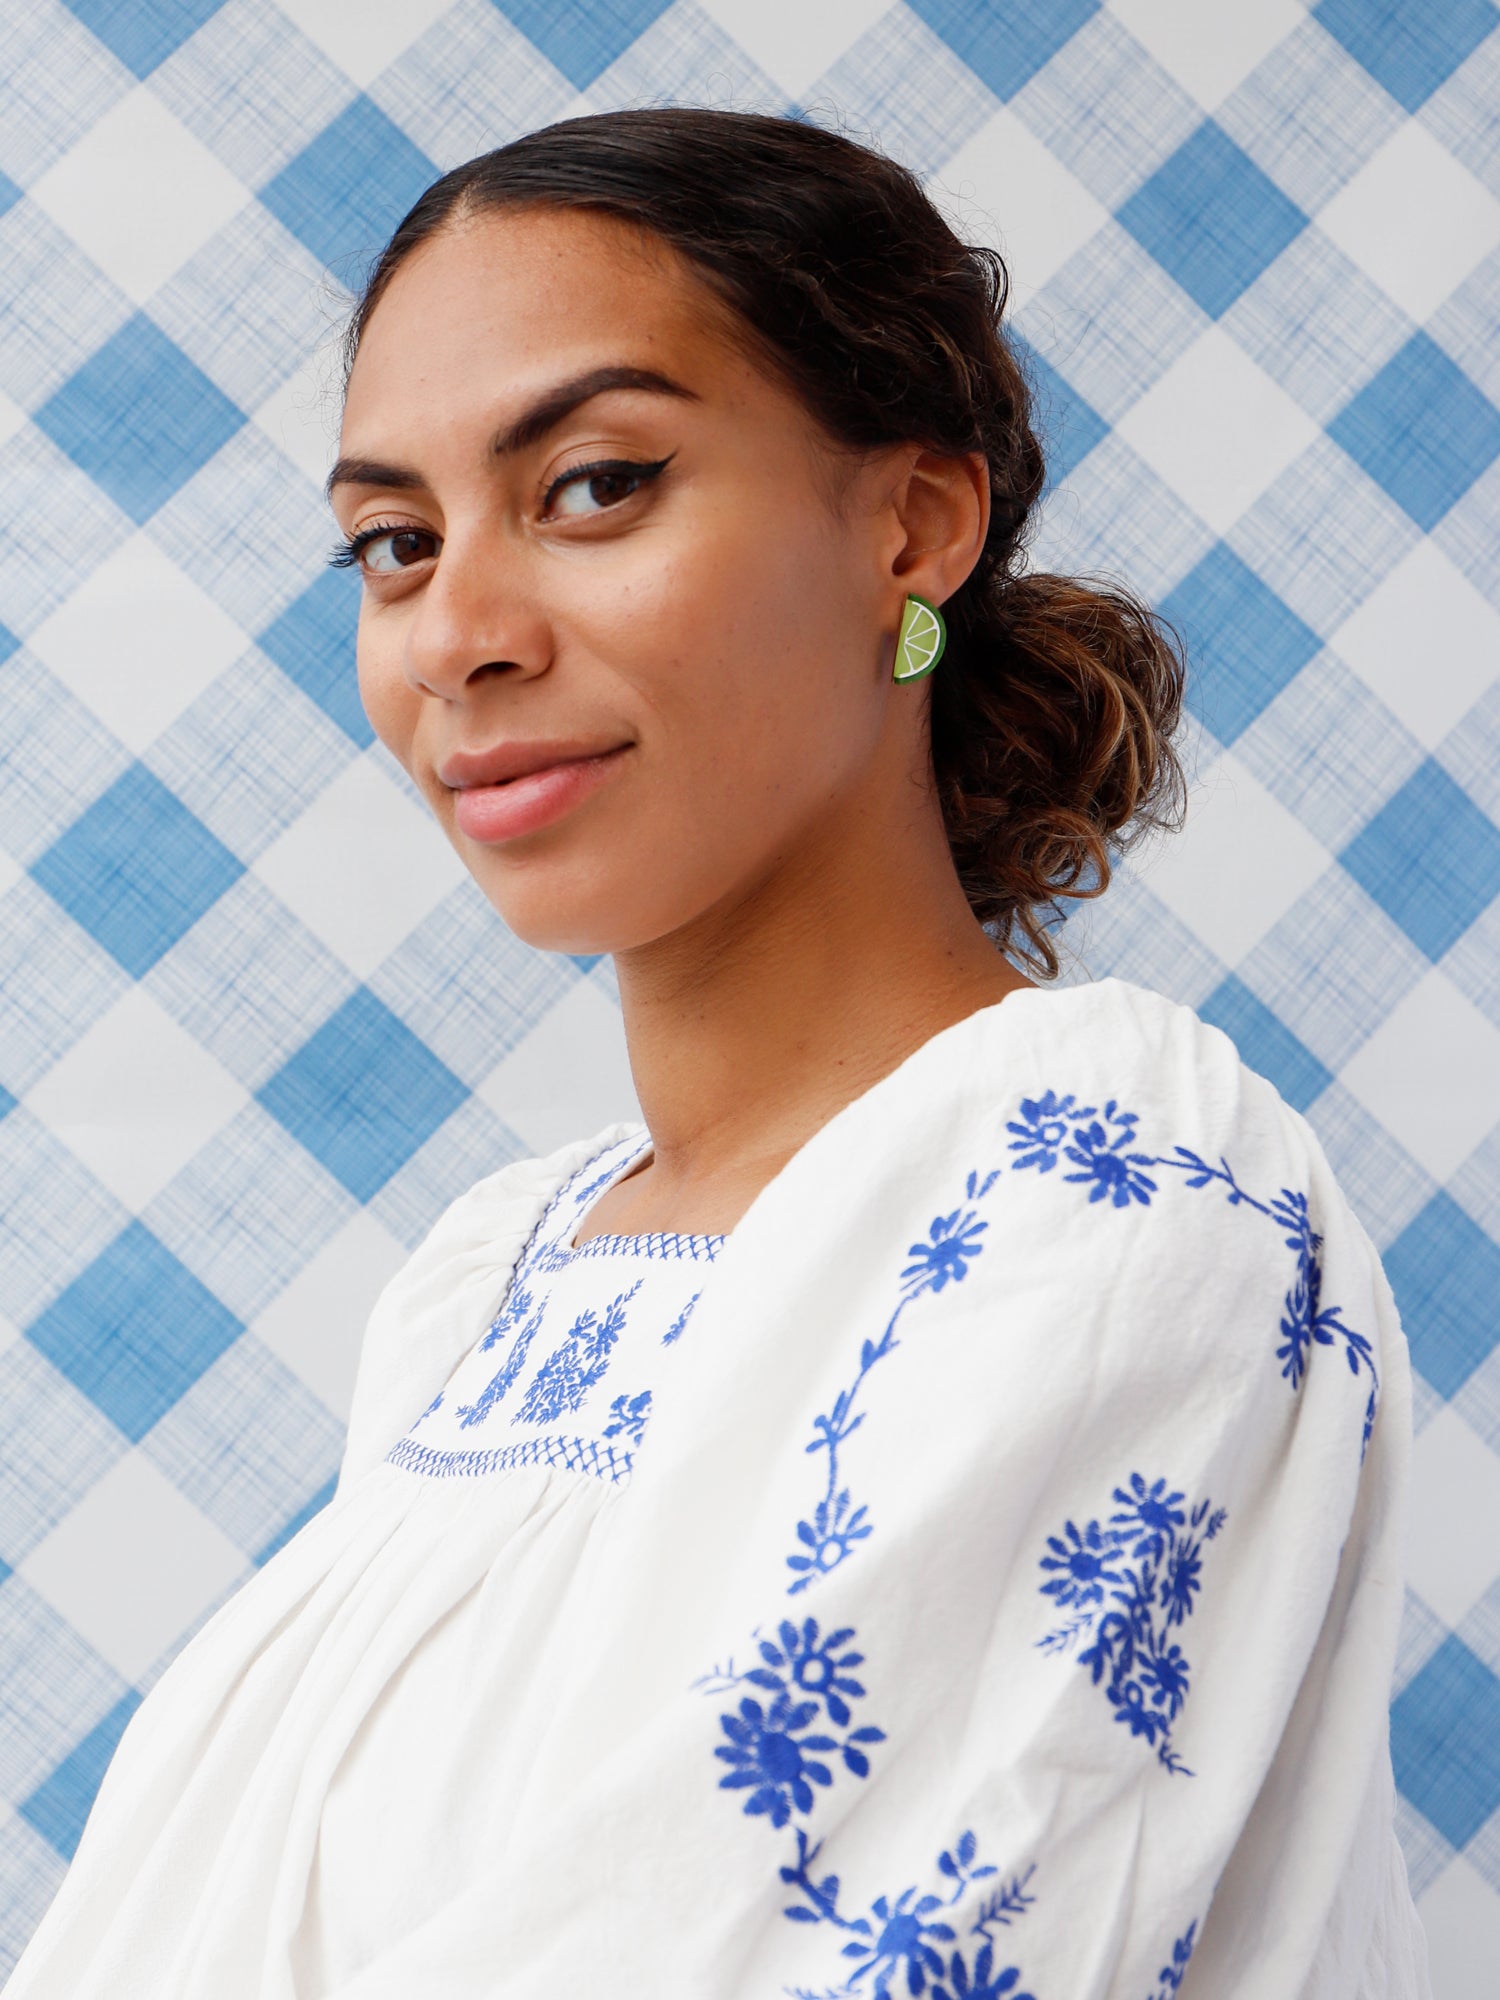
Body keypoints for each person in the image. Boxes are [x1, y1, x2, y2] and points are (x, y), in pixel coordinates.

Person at [4, 107, 1430, 2000]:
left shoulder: (1112, 1185)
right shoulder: (488, 1286)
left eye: (596, 486)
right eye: (393, 544)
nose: (456, 637)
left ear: (912, 525)